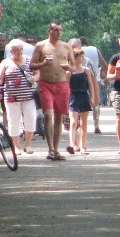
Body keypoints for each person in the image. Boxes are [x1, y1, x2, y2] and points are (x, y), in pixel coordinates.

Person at [30, 23, 75, 160]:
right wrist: (43, 64)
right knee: (48, 115)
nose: (58, 32)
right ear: (49, 31)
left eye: (60, 30)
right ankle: (50, 149)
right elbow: (31, 65)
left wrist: (68, 67)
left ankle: (56, 150)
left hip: (62, 85)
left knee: (59, 117)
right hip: (46, 84)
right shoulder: (41, 46)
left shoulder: (67, 46)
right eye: (55, 30)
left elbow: (74, 66)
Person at [0, 39, 37, 154]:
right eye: (15, 50)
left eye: (20, 50)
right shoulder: (5, 62)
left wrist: (35, 78)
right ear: (10, 51)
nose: (18, 52)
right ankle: (16, 146)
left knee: (31, 119)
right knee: (13, 121)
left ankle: (28, 145)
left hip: (28, 96)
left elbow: (38, 72)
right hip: (11, 97)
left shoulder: (29, 60)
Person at [67, 47, 98, 155]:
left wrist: (92, 98)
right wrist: (66, 100)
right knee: (73, 122)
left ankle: (83, 146)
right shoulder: (69, 72)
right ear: (74, 58)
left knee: (83, 123)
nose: (82, 58)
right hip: (73, 97)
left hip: (84, 96)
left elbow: (90, 85)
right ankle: (72, 144)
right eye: (79, 57)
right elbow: (67, 87)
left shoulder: (86, 70)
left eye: (82, 56)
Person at [79, 37, 104, 134]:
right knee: (96, 102)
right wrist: (105, 74)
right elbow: (103, 63)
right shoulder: (95, 49)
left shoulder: (76, 50)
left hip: (79, 77)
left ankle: (80, 123)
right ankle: (96, 125)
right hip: (93, 77)